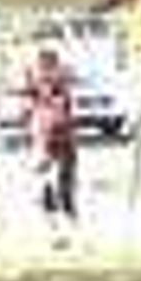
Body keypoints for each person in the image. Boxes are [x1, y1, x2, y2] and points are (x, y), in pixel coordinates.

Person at [24, 46, 84, 234]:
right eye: (44, 64)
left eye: (51, 63)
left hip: (63, 134)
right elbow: (25, 96)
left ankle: (68, 217)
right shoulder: (35, 83)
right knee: (46, 178)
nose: (48, 70)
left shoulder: (62, 80)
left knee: (64, 178)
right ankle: (52, 219)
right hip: (45, 135)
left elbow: (70, 79)